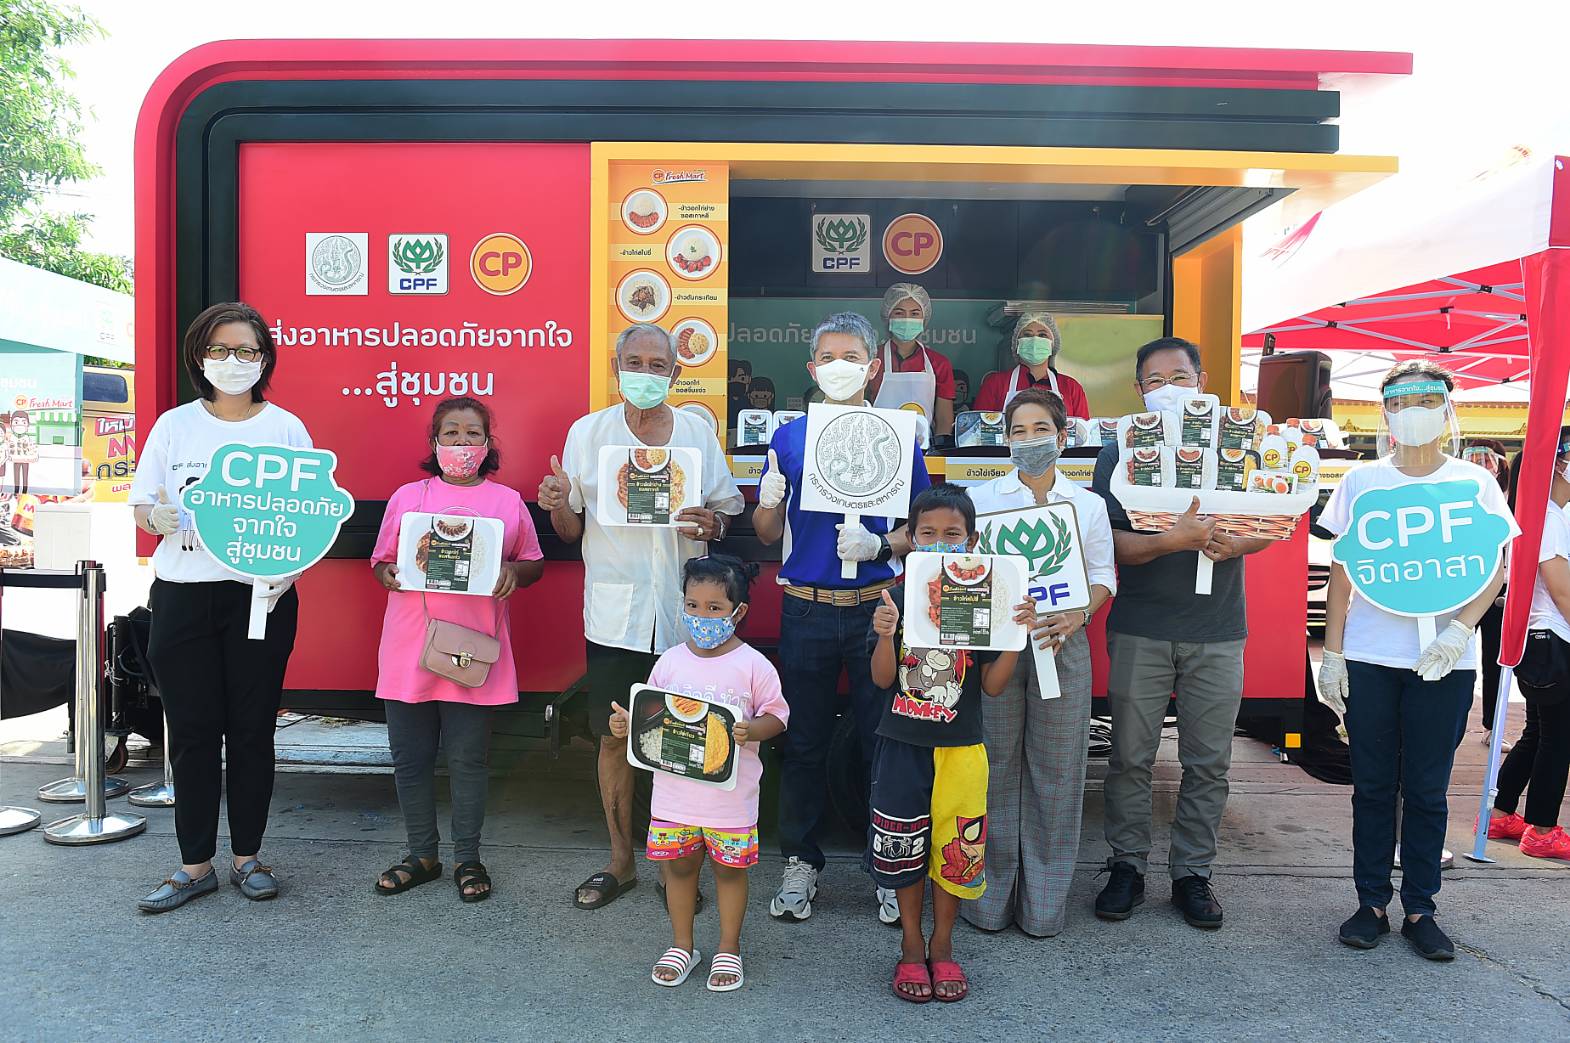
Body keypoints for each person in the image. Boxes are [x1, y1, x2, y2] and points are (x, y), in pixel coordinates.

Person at [539, 322, 744, 911]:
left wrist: (714, 523)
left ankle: (675, 865)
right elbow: (571, 527)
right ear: (617, 366)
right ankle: (620, 861)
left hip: (685, 618)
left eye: (658, 365)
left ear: (675, 373)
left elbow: (726, 510)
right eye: (636, 362)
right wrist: (555, 504)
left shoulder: (697, 432)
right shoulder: (588, 433)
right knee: (612, 738)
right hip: (616, 617)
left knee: (683, 740)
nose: (646, 374)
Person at [1318, 361, 1517, 960]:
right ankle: (1371, 902)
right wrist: (1333, 655)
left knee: (1428, 789)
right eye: (1401, 402)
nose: (1414, 412)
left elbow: (1495, 568)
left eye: (1427, 400)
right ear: (1385, 413)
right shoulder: (1362, 482)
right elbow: (1342, 573)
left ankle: (1421, 908)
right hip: (1371, 656)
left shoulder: (1474, 483)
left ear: (1447, 408)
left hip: (1445, 662)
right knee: (1373, 786)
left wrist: (1459, 631)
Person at [129, 302, 310, 913]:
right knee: (192, 733)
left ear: (265, 359)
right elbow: (141, 503)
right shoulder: (174, 426)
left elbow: (306, 513)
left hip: (261, 596)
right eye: (220, 349)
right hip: (182, 595)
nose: (233, 361)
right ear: (199, 357)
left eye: (247, 350)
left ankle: (248, 857)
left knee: (253, 730)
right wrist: (154, 517)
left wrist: (289, 569)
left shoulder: (285, 429)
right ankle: (194, 865)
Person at [755, 310, 932, 924]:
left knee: (884, 740)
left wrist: (881, 545)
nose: (839, 367)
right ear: (812, 368)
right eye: (828, 357)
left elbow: (923, 527)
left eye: (851, 358)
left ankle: (888, 868)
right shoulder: (788, 439)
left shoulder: (898, 438)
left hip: (876, 610)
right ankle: (800, 862)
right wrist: (769, 501)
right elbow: (766, 531)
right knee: (803, 742)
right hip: (806, 608)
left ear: (872, 366)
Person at [1090, 336, 1272, 930]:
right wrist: (1172, 541)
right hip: (1142, 627)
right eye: (1154, 380)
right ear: (1139, 390)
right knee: (1130, 758)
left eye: (1179, 377)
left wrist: (1240, 544)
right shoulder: (1121, 451)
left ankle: (1193, 872)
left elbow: (1273, 521)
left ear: (1202, 381)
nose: (1168, 388)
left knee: (1208, 762)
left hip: (1217, 630)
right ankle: (1126, 865)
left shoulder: (1236, 443)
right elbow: (1107, 542)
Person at [369, 397, 545, 902]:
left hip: (473, 651)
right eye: (451, 433)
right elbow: (381, 561)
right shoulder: (408, 497)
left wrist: (515, 573)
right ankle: (421, 855)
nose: (462, 443)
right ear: (434, 442)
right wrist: (388, 573)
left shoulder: (507, 502)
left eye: (472, 433)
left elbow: (532, 562)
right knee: (410, 759)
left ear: (488, 444)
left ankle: (468, 857)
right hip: (409, 647)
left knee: (469, 760)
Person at [867, 484, 1035, 1003]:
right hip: (901, 745)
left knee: (957, 851)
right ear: (911, 539)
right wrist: (884, 634)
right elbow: (881, 680)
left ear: (972, 541)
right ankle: (910, 945)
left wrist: (1016, 636)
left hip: (962, 750)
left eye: (952, 533)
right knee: (904, 850)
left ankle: (942, 944)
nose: (940, 542)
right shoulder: (895, 598)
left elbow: (994, 686)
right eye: (928, 533)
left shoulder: (984, 598)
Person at [961, 387, 1116, 937]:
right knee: (994, 770)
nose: (1030, 440)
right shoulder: (979, 500)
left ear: (1063, 436)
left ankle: (1044, 906)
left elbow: (1104, 576)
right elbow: (964, 568)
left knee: (1058, 772)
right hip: (998, 650)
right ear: (1006, 440)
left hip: (1062, 645)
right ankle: (988, 901)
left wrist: (1079, 614)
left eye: (1041, 430)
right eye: (1019, 431)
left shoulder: (1088, 505)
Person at [608, 555, 787, 992]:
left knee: (729, 873)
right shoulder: (670, 662)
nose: (701, 616)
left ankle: (728, 948)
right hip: (675, 798)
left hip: (730, 800)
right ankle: (682, 945)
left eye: (714, 608)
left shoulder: (754, 665)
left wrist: (751, 730)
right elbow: (650, 717)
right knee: (680, 869)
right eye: (693, 606)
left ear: (738, 612)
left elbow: (778, 717)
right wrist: (626, 725)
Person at [1486, 431, 1570, 860]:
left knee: (1540, 733)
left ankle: (1500, 814)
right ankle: (1542, 829)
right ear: (1559, 464)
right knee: (1558, 739)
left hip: (1544, 639)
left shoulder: (1551, 513)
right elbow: (1562, 591)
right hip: (1553, 638)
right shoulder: (1549, 519)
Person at [1465, 438, 1512, 746]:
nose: (1480, 466)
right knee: (1456, 656)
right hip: (1465, 587)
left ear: (1500, 465)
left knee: (1496, 658)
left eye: (1486, 459)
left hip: (1500, 589)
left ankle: (1493, 726)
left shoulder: (1511, 498)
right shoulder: (1458, 494)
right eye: (1472, 458)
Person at [868, 283, 957, 439]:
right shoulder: (872, 359)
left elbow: (944, 419)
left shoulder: (939, 363)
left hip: (923, 446)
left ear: (924, 318)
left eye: (915, 313)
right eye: (899, 313)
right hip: (877, 441)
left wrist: (939, 448)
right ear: (888, 316)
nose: (907, 319)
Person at [973, 311, 1090, 420]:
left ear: (1053, 344)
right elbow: (979, 429)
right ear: (1017, 343)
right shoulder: (995, 383)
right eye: (1027, 335)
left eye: (1042, 335)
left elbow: (1082, 432)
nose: (1034, 340)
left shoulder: (1071, 387)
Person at [7, 409, 36, 496]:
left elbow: (31, 448)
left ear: (27, 425)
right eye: (16, 422)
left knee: (25, 475)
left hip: (26, 458)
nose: (20, 425)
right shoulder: (12, 437)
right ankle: (16, 491)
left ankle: (24, 491)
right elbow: (9, 447)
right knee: (16, 474)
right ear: (11, 424)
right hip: (15, 458)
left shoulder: (27, 437)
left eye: (23, 422)